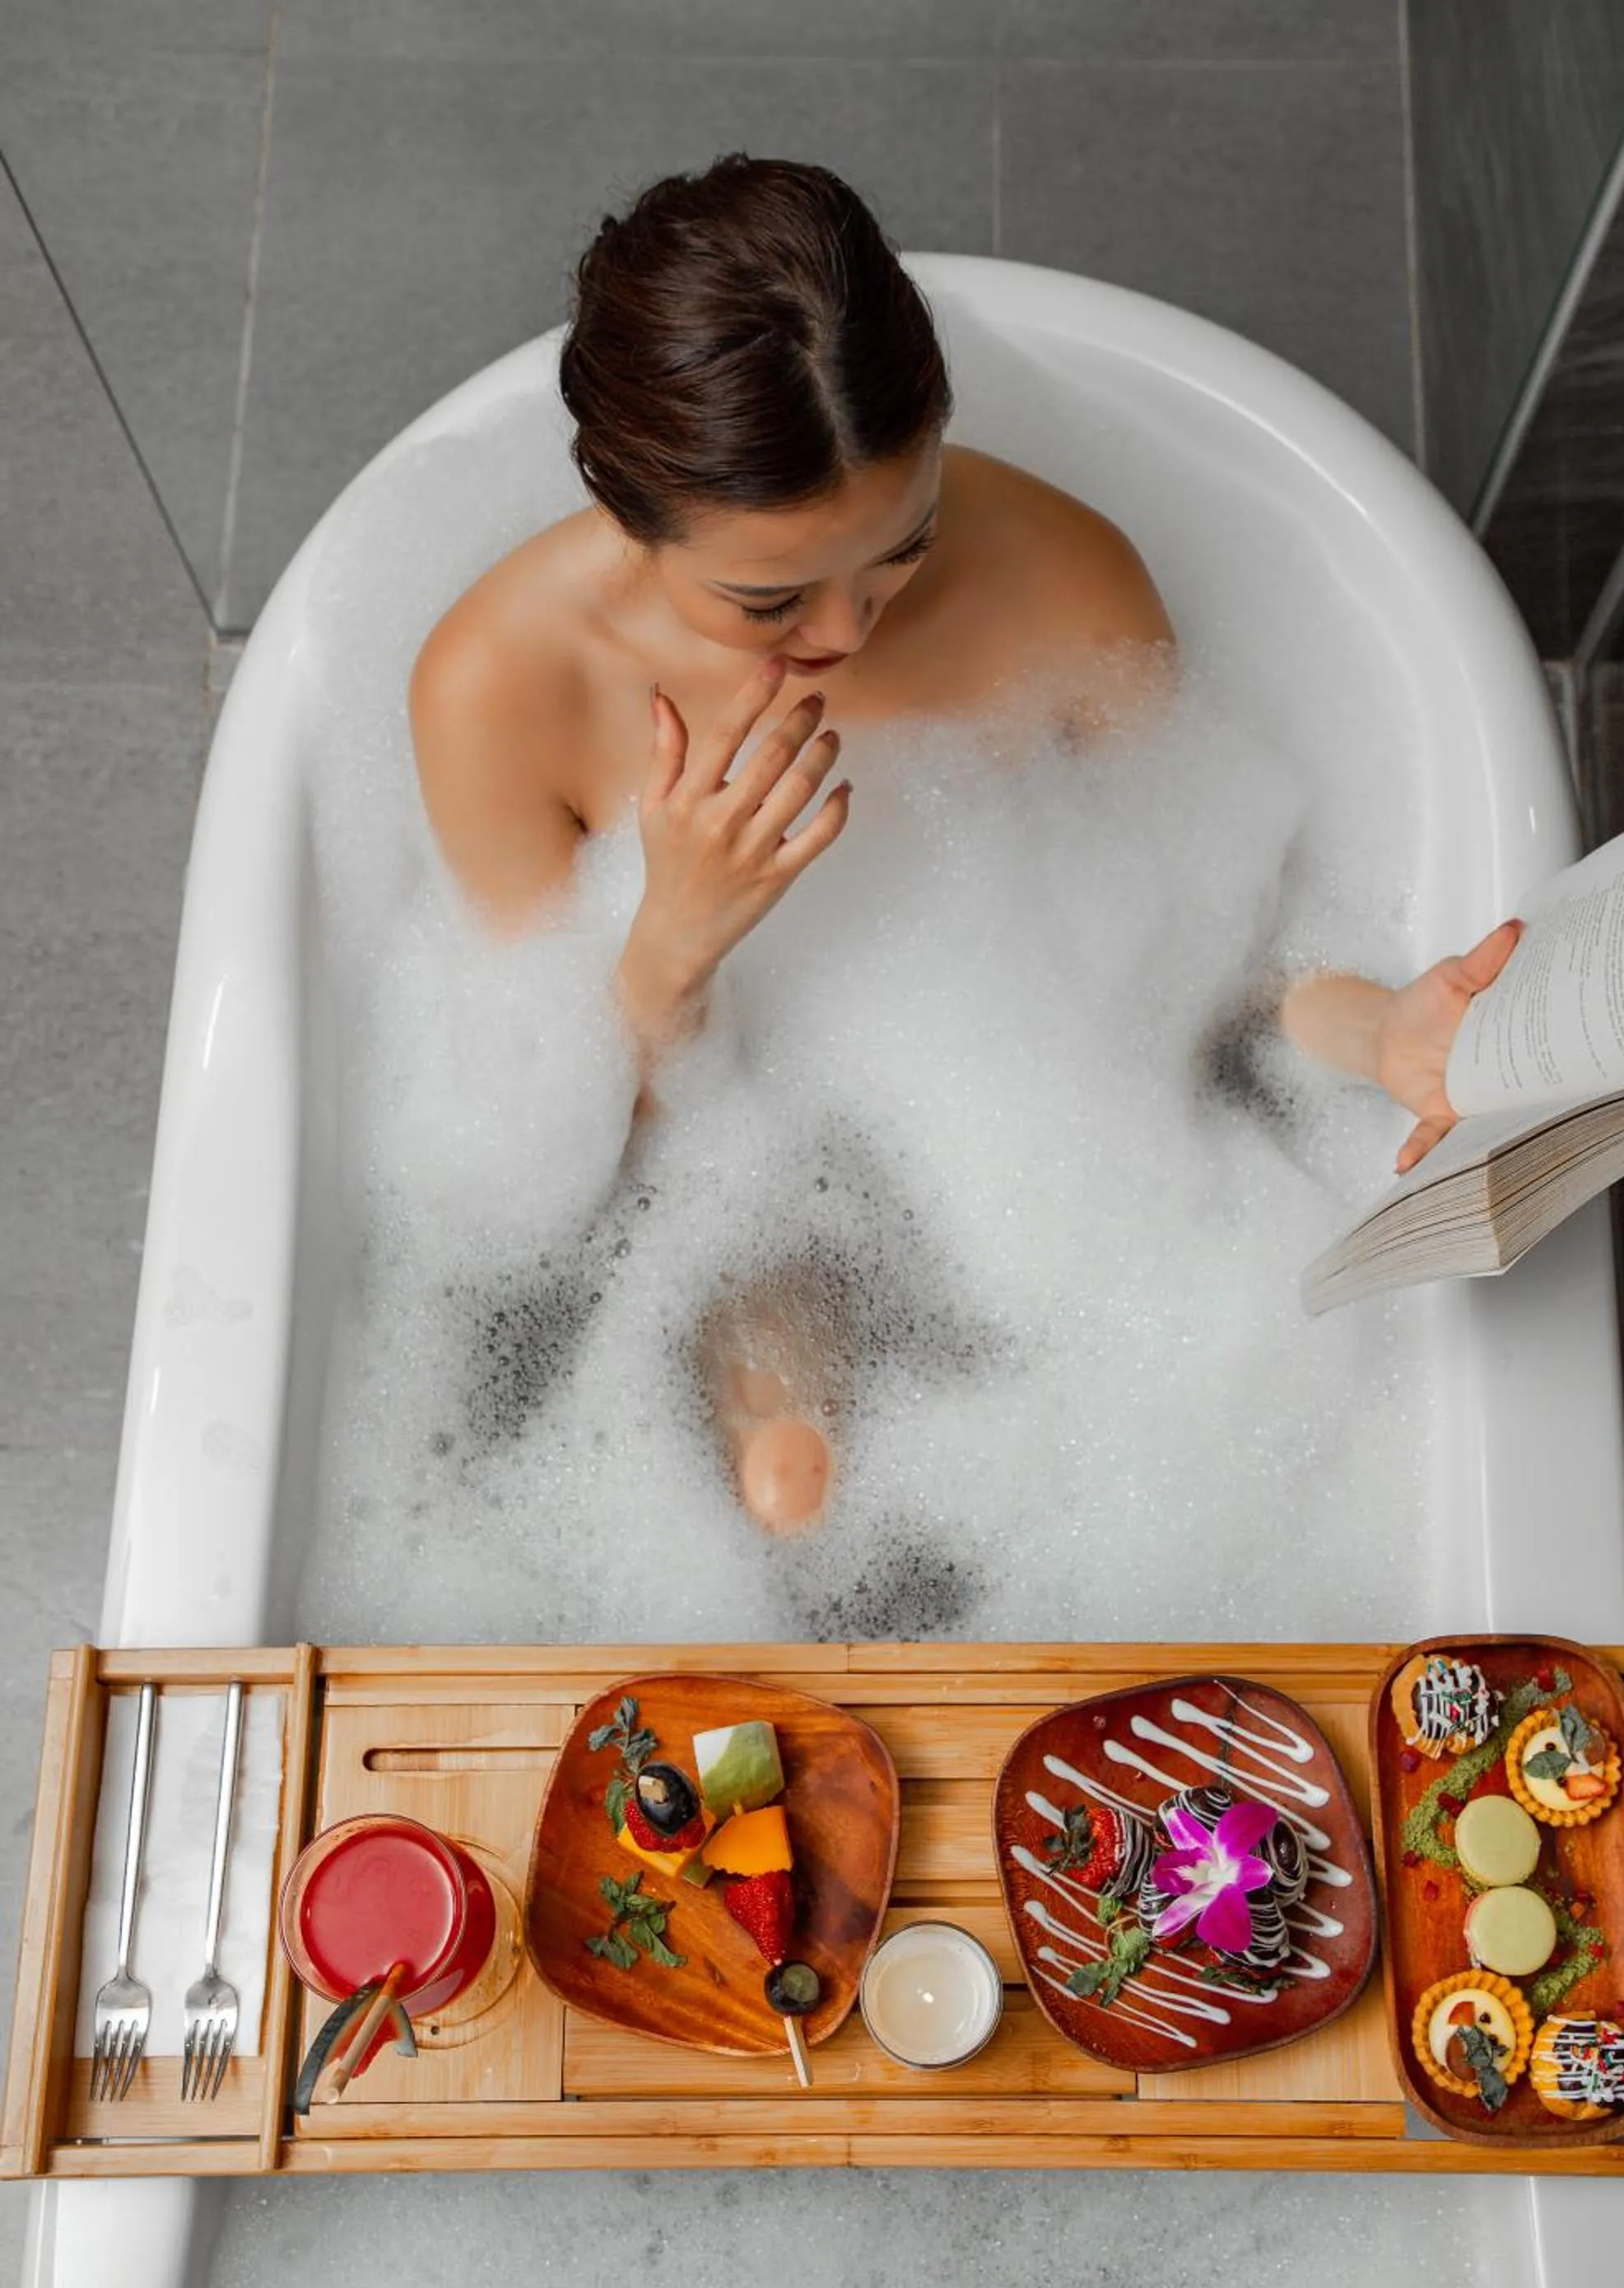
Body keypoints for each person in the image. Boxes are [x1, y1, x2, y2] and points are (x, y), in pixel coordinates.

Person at [410, 152, 1518, 1536]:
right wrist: (671, 939)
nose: (846, 636)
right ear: (631, 516)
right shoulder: (501, 690)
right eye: (765, 601)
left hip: (1064, 1144)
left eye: (906, 547)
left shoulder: (1066, 579)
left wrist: (1383, 1032)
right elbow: (545, 1168)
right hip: (724, 1183)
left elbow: (1209, 960)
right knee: (778, 1464)